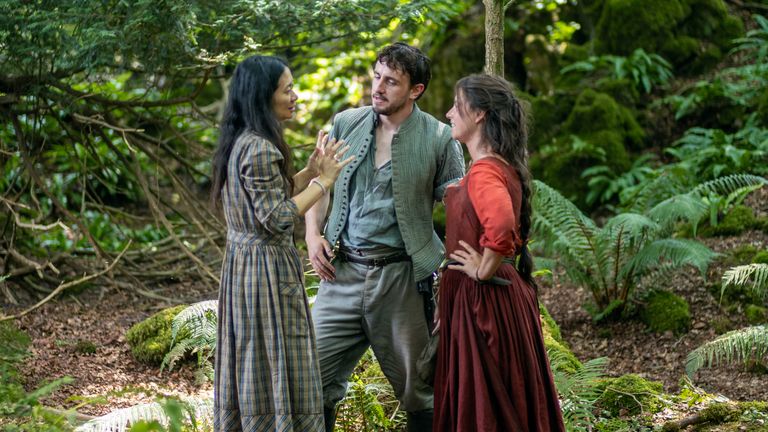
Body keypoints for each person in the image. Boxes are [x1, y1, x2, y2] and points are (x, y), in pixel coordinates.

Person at [304, 43, 465, 431]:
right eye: (377, 76)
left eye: (391, 82)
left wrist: (457, 273)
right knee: (310, 378)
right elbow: (318, 184)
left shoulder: (440, 138)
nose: (378, 87)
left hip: (402, 281)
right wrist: (312, 235)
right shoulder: (346, 123)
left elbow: (461, 205)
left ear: (416, 90)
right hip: (339, 274)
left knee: (419, 387)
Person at [210, 55, 353, 432]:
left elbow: (268, 196)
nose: (295, 97)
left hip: (245, 266)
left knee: (253, 355)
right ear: (263, 96)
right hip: (264, 272)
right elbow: (276, 217)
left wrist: (308, 172)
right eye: (287, 89)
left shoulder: (244, 141)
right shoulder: (259, 148)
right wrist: (325, 182)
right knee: (273, 355)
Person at [433, 73, 565, 431]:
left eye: (456, 105)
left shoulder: (484, 170)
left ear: (478, 114)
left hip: (484, 302)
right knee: (506, 398)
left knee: (487, 405)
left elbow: (502, 226)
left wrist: (482, 269)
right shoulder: (499, 165)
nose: (448, 113)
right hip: (492, 300)